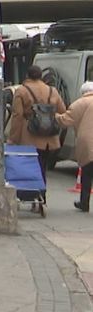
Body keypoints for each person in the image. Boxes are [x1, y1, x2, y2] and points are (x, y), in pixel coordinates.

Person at [10, 65, 67, 182]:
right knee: (42, 165)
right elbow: (62, 110)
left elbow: (17, 115)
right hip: (49, 137)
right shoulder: (52, 91)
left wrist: (13, 138)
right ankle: (42, 189)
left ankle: (34, 190)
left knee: (29, 167)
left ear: (27, 76)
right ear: (41, 76)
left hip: (29, 135)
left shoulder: (22, 91)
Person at [58, 81, 93, 213]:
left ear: (84, 92)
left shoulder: (80, 103)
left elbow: (65, 120)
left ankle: (84, 203)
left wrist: (54, 116)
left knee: (87, 174)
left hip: (88, 143)